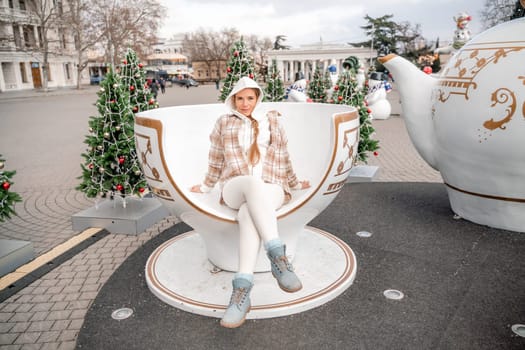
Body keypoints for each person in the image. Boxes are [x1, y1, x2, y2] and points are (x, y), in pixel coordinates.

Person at [190, 77, 310, 328]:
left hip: (272, 186)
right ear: (233, 99)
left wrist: (295, 183)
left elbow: (284, 156)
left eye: (250, 98)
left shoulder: (273, 120)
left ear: (258, 98)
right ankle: (278, 256)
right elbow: (216, 158)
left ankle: (241, 292)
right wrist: (206, 186)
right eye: (240, 98)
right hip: (236, 185)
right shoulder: (224, 122)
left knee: (248, 213)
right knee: (250, 185)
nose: (245, 103)